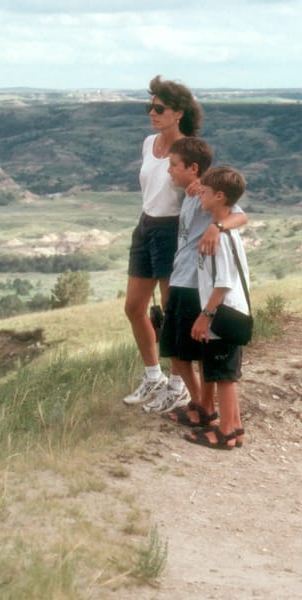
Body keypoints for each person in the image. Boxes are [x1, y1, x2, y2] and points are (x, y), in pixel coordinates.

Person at [142, 138, 247, 417]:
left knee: (197, 349)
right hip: (179, 279)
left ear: (193, 168)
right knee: (173, 347)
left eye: (174, 165)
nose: (169, 170)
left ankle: (206, 409)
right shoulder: (191, 194)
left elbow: (241, 216)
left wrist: (216, 227)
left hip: (194, 285)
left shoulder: (206, 193)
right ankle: (200, 402)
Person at [123, 75, 203, 406]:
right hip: (146, 226)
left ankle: (177, 384)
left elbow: (203, 193)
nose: (152, 114)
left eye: (159, 108)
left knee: (172, 313)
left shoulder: (189, 151)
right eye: (150, 107)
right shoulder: (148, 143)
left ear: (179, 113)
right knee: (134, 307)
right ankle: (153, 375)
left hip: (172, 230)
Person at [185, 166, 249, 449]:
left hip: (222, 315)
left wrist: (204, 316)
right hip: (231, 314)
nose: (201, 196)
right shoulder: (226, 233)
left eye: (206, 192)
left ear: (220, 196)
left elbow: (222, 283)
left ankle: (224, 433)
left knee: (223, 376)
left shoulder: (220, 238)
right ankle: (235, 428)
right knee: (227, 374)